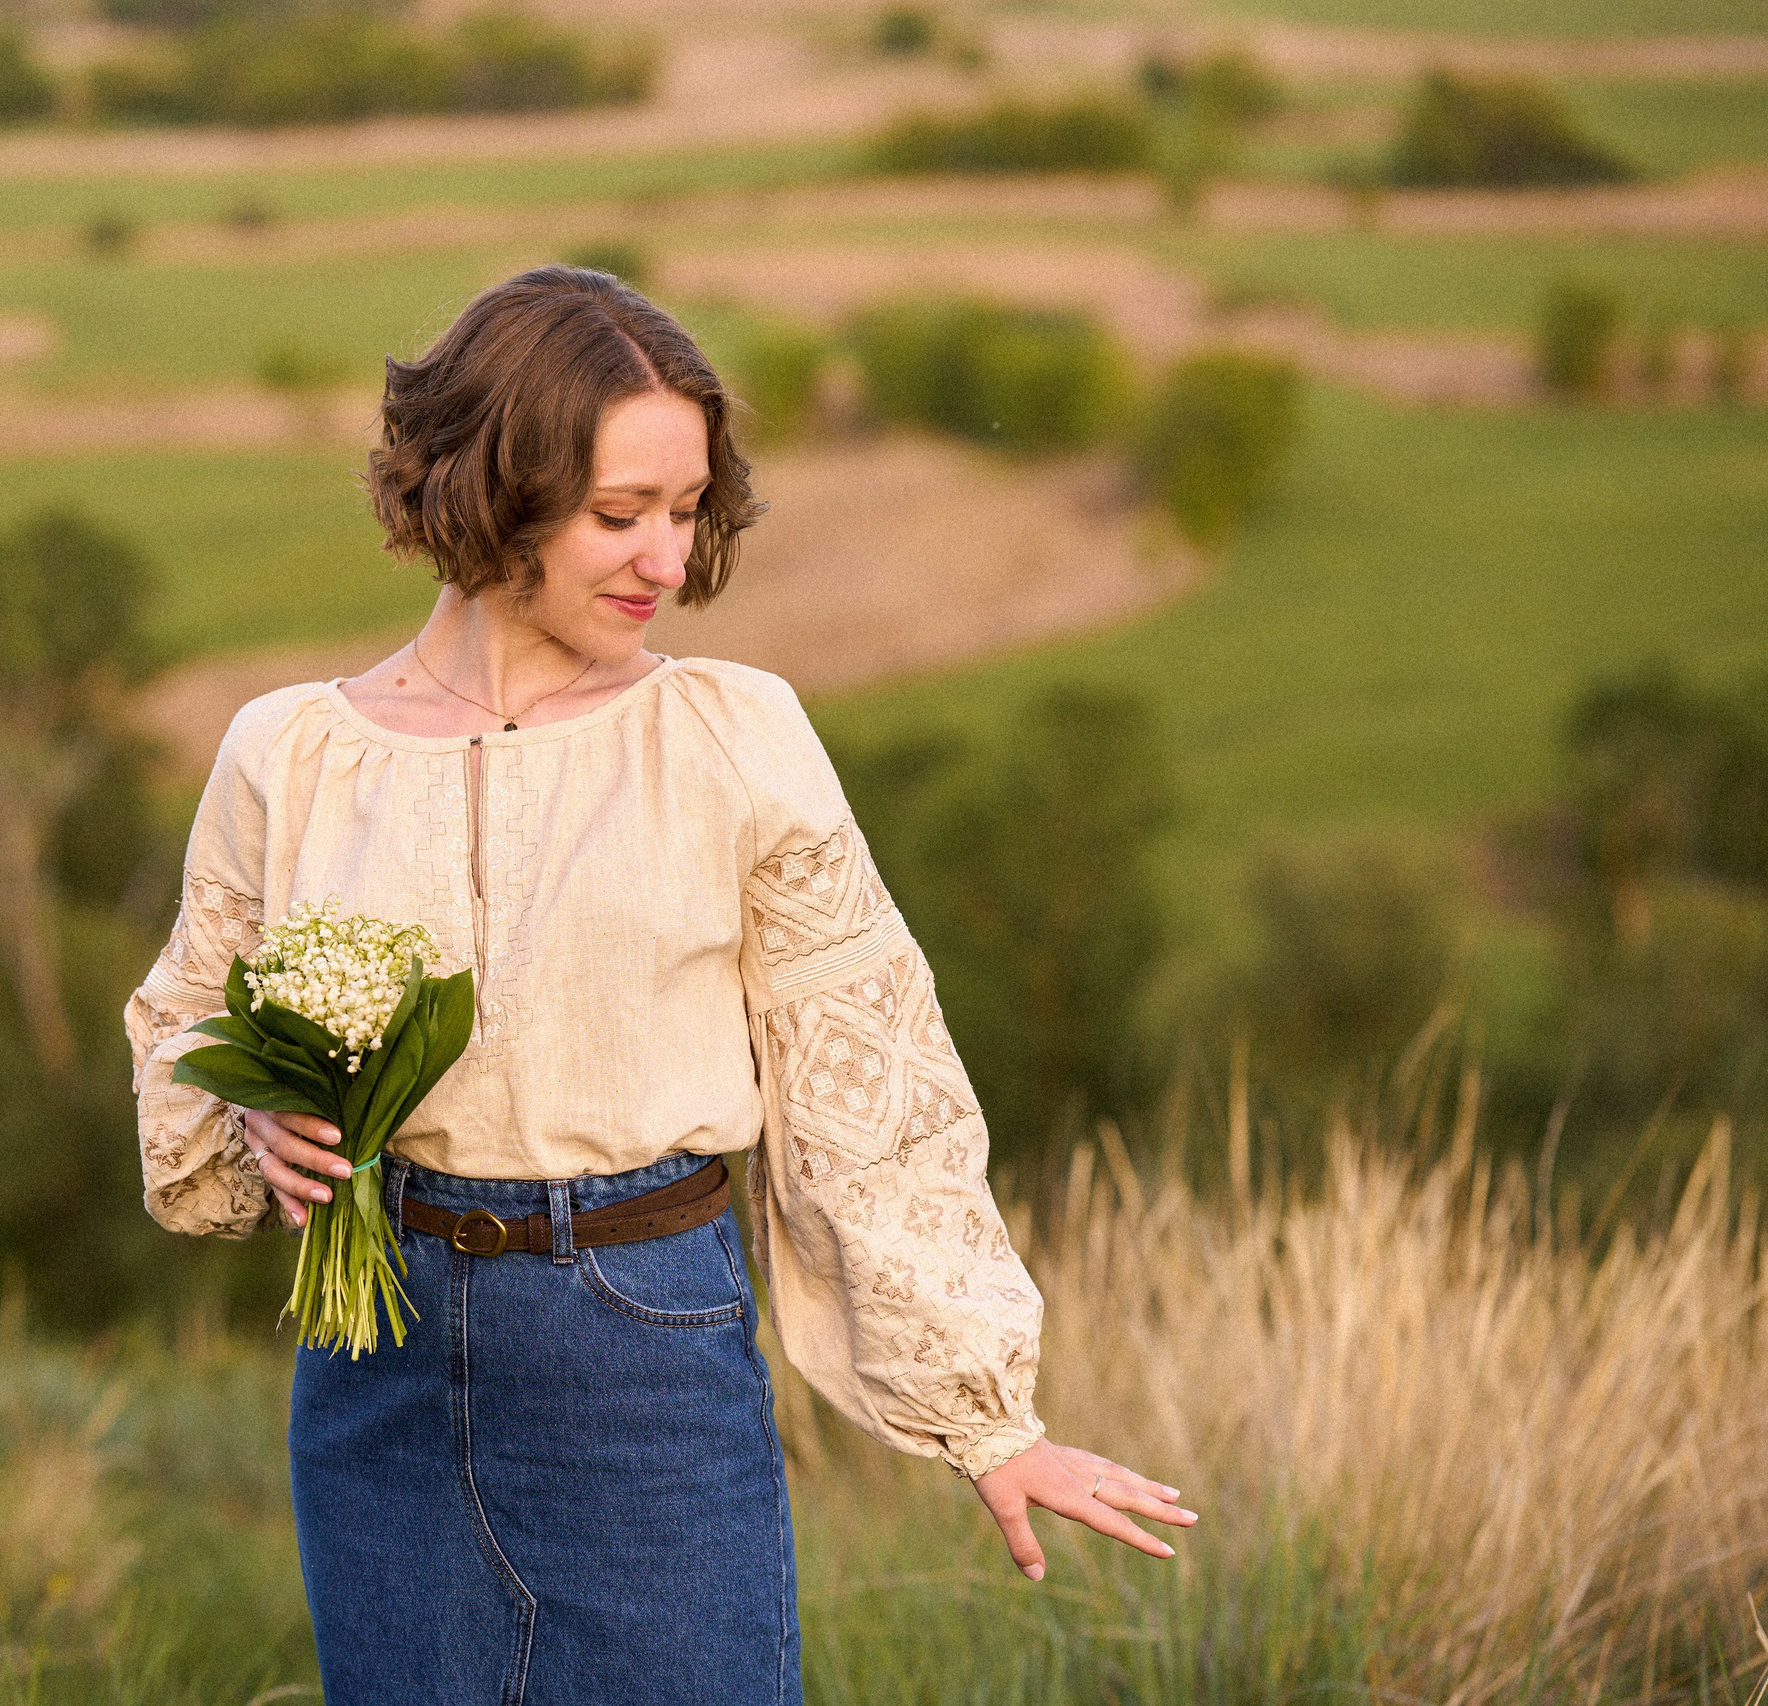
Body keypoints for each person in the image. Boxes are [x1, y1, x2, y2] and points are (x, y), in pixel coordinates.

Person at [123, 263, 1195, 1705]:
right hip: (377, 1358)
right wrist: (252, 1118)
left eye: (687, 512)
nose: (667, 562)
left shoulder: (732, 739)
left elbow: (864, 1076)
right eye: (621, 514)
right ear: (493, 491)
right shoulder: (292, 755)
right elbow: (189, 1022)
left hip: (638, 1345)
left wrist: (984, 1413)